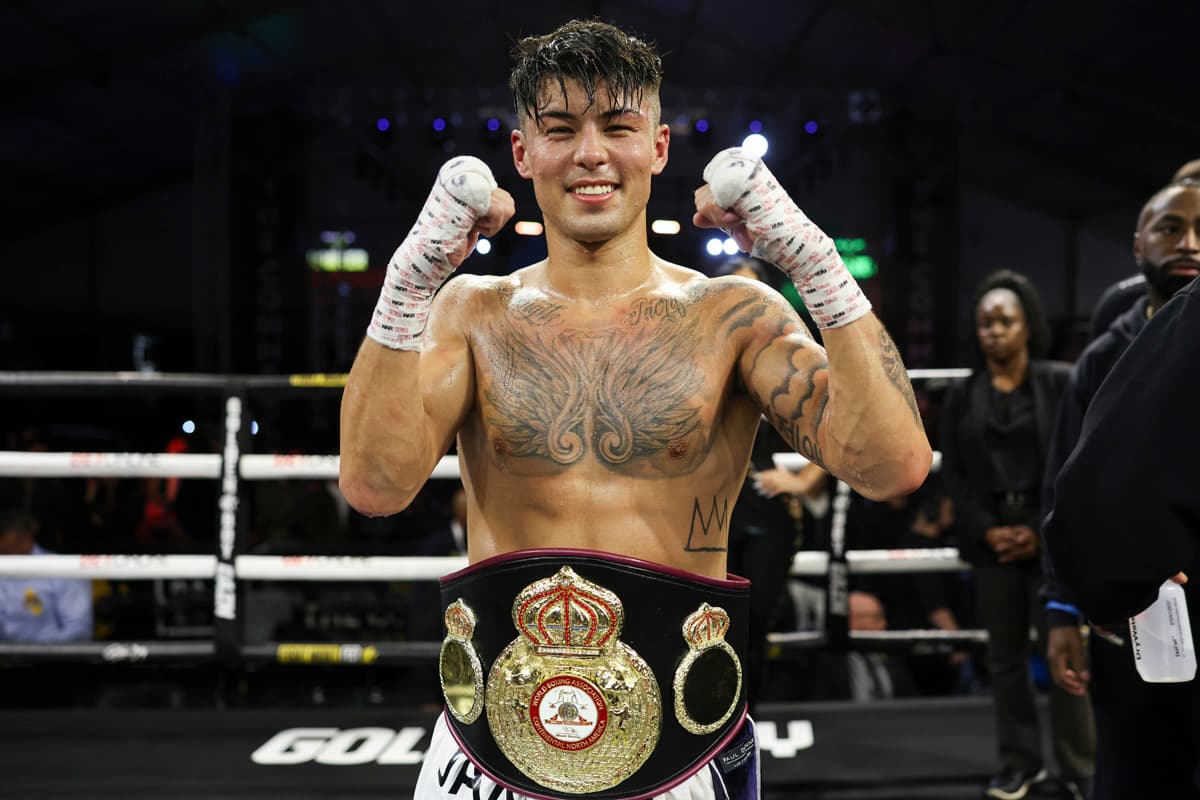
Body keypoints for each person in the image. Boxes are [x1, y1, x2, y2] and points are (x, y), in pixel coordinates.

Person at [339, 19, 930, 800]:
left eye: (618, 127)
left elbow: (895, 465)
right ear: (523, 154)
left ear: (657, 146)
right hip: (488, 756)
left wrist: (810, 260)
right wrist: (408, 282)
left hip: (677, 758)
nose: (591, 154)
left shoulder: (734, 315)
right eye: (560, 130)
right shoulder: (467, 313)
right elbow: (375, 487)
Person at [1041, 180, 1200, 799]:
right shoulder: (1104, 354)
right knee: (1134, 767)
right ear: (1138, 244)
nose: (1187, 242)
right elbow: (1064, 484)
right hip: (1133, 616)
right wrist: (1060, 611)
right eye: (1169, 228)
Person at [939, 270, 1094, 800]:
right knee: (1004, 660)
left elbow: (1076, 463)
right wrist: (989, 531)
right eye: (985, 322)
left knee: (1066, 654)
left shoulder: (1059, 381)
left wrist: (1034, 530)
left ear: (1027, 326)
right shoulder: (964, 395)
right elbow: (953, 473)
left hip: (1052, 535)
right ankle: (1019, 764)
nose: (994, 331)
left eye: (1005, 321)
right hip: (990, 540)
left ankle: (1079, 769)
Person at [0, 509, 92, 642]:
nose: (3, 557)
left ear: (25, 540)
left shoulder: (62, 569)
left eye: (6, 552)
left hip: (51, 658)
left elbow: (79, 630)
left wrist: (33, 652)